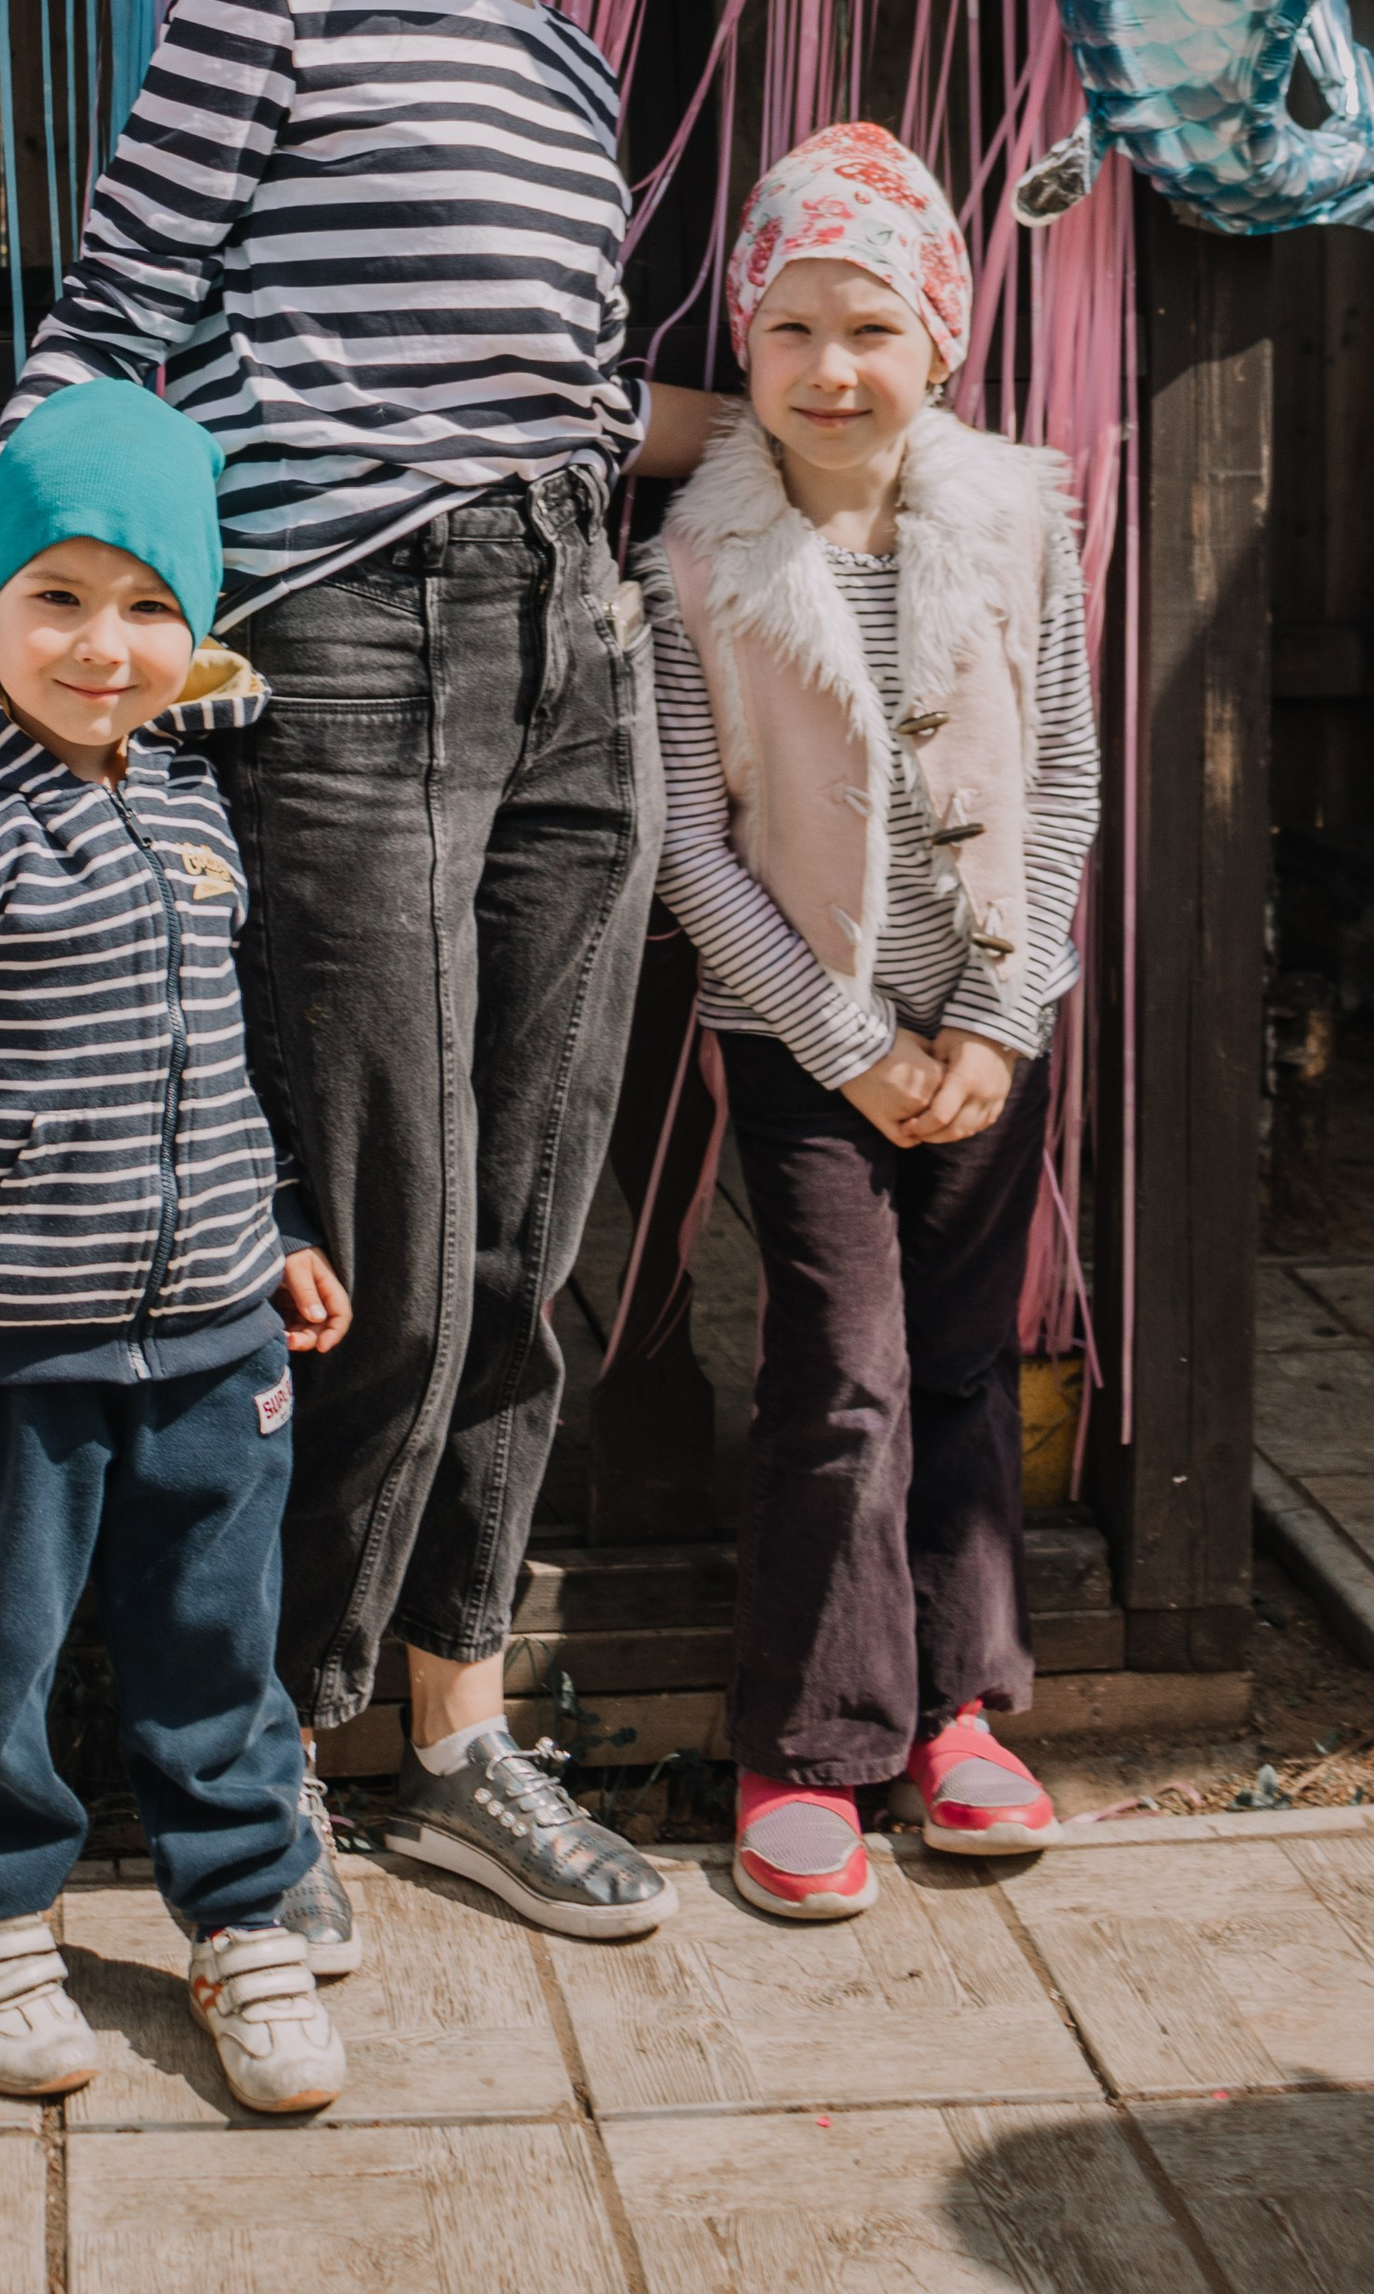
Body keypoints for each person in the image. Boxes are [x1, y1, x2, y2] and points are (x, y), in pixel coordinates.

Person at [0, 0, 726, 1953]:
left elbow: (563, 396)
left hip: (573, 640)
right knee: (382, 1245)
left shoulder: (570, 67)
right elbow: (112, 321)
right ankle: (264, 1764)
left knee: (528, 1237)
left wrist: (817, 431)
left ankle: (452, 1723)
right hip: (352, 644)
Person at [0, 379, 356, 2115]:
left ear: (197, 628)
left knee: (220, 1647)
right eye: (56, 596)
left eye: (147, 605)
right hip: (8, 1354)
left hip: (214, 1345)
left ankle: (245, 1914)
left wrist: (273, 1228)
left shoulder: (196, 807)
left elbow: (225, 1058)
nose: (102, 646)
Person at [635, 126, 1101, 1922]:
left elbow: (1060, 775)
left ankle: (958, 1710)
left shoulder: (1017, 528)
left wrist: (994, 1012)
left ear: (943, 343)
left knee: (966, 1362)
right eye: (793, 332)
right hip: (804, 1034)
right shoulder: (702, 562)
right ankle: (808, 1740)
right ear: (745, 346)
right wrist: (846, 1042)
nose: (833, 369)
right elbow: (693, 839)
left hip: (986, 1023)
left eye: (873, 329)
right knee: (838, 1373)